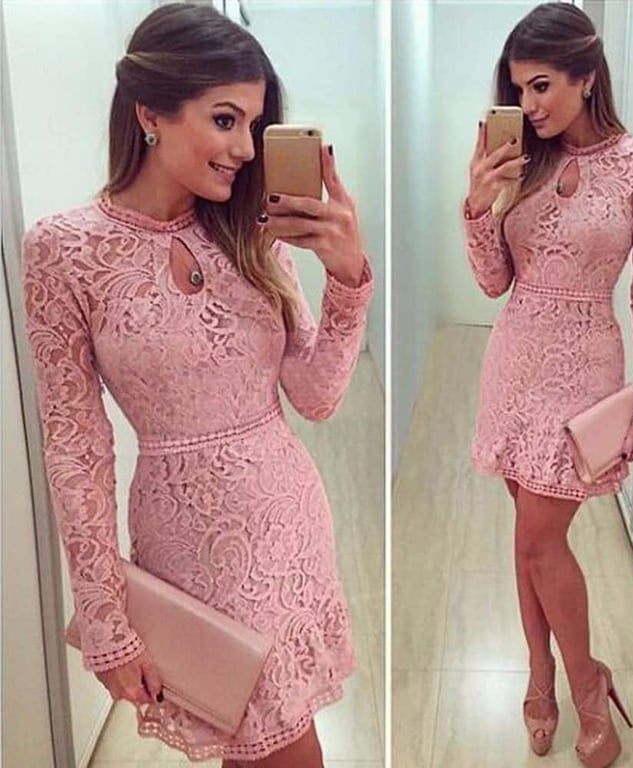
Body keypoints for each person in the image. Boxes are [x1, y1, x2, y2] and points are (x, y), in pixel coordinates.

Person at [21, 4, 373, 766]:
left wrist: (348, 280)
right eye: (224, 119)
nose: (246, 148)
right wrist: (104, 615)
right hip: (187, 546)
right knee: (265, 745)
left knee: (277, 747)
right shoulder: (64, 251)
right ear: (150, 112)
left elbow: (316, 396)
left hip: (289, 521)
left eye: (254, 124)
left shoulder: (255, 234)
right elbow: (75, 446)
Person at [462, 3, 633, 766]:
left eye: (542, 85)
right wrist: (477, 203)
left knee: (540, 539)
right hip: (514, 360)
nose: (529, 105)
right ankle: (539, 675)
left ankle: (585, 682)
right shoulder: (524, 161)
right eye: (518, 90)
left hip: (586, 366)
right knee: (529, 539)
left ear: (586, 76)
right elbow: (492, 282)